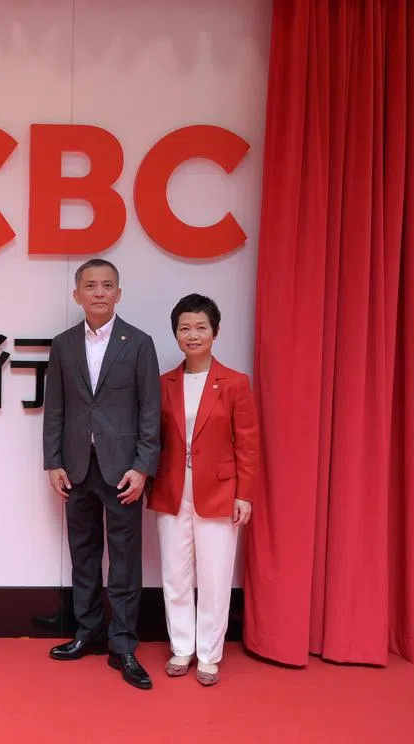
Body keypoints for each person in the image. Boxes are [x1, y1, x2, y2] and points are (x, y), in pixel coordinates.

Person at [42, 258, 161, 690]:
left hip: (123, 470)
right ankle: (87, 632)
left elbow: (150, 411)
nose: (98, 292)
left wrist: (143, 467)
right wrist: (52, 461)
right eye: (90, 285)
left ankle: (123, 644)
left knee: (125, 560)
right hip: (76, 467)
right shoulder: (63, 345)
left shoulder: (139, 343)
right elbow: (55, 408)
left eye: (106, 285)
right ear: (77, 294)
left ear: (118, 294)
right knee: (84, 553)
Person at [149, 294, 257, 686]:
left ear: (215, 332)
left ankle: (210, 653)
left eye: (200, 328)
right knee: (175, 574)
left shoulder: (235, 383)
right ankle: (182, 647)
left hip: (220, 492)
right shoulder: (164, 383)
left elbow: (246, 443)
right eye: (184, 328)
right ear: (175, 333)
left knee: (214, 575)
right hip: (172, 488)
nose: (192, 335)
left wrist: (244, 493)